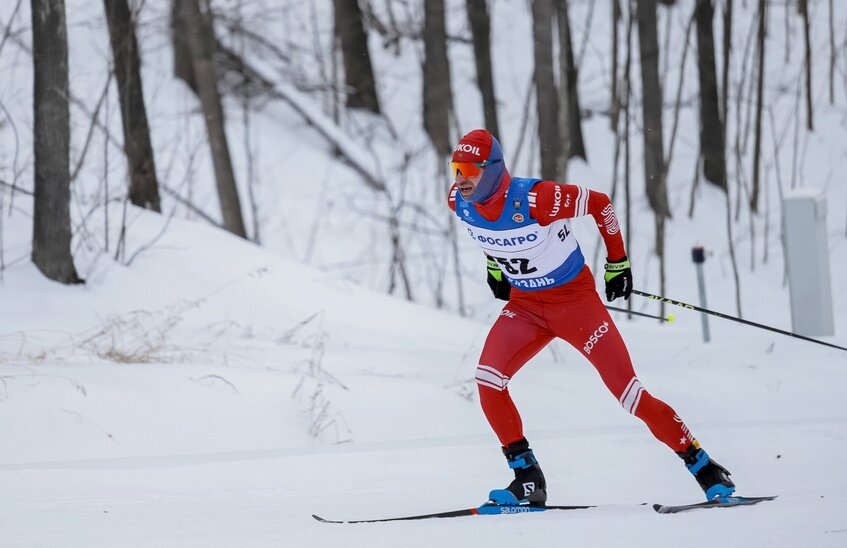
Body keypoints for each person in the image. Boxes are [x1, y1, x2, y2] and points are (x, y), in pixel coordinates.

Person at [447, 129, 735, 505]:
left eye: (470, 169)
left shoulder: (538, 198)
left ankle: (705, 467)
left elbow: (600, 204)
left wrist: (618, 262)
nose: (461, 179)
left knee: (629, 394)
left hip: (575, 305)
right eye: (456, 169)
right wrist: (497, 269)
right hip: (526, 307)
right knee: (488, 379)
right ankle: (528, 478)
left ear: (493, 169)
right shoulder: (459, 201)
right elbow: (486, 234)